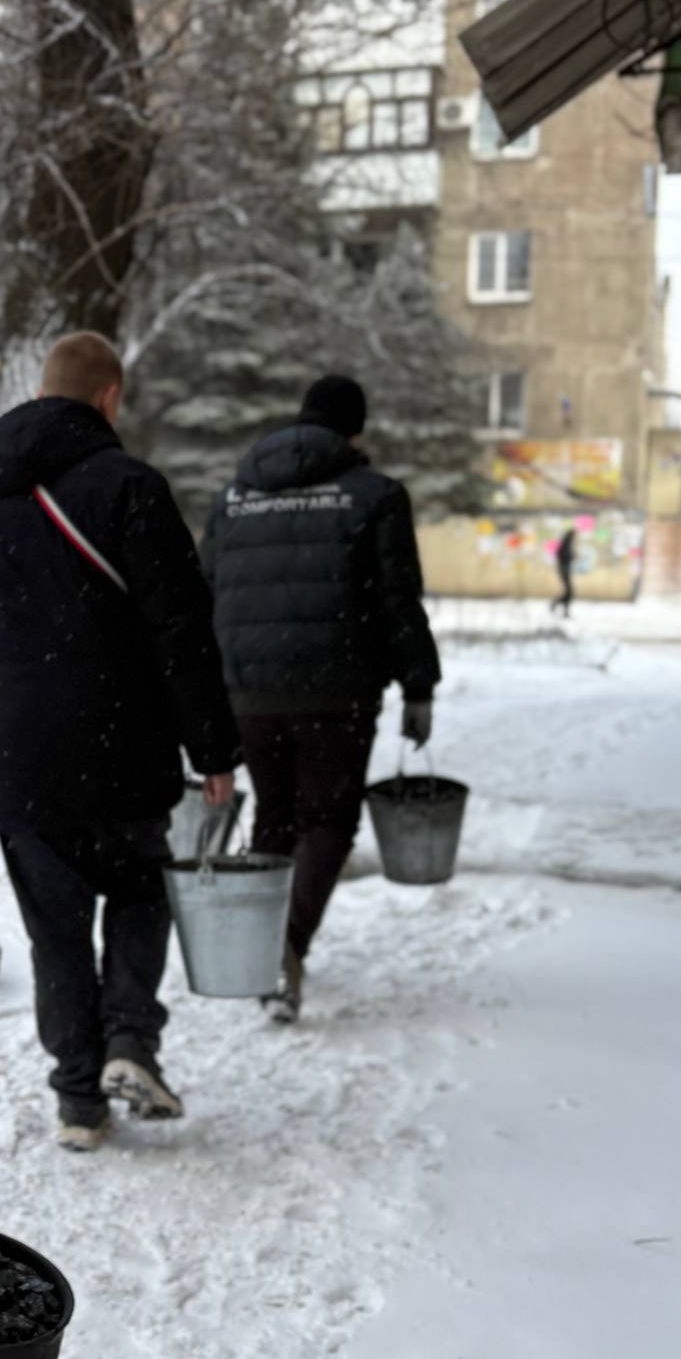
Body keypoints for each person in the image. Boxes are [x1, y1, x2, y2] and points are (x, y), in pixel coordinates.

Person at [0, 332, 238, 1153]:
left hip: (21, 760)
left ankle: (77, 1102)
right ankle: (129, 1042)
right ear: (110, 398)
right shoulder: (131, 487)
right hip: (122, 745)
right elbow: (182, 629)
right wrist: (213, 750)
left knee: (54, 931)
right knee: (138, 893)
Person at [199, 374, 441, 1023]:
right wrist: (419, 685)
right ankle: (287, 947)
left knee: (276, 816)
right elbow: (398, 603)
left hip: (248, 691)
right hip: (337, 691)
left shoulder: (233, 498)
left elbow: (203, 599)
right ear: (354, 430)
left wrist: (204, 695)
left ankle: (272, 946)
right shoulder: (375, 496)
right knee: (328, 821)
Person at [553, 523, 578, 616]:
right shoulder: (566, 544)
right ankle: (557, 605)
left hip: (565, 569)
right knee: (569, 591)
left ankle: (560, 607)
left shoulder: (567, 544)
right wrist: (572, 557)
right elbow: (563, 556)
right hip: (564, 569)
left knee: (569, 591)